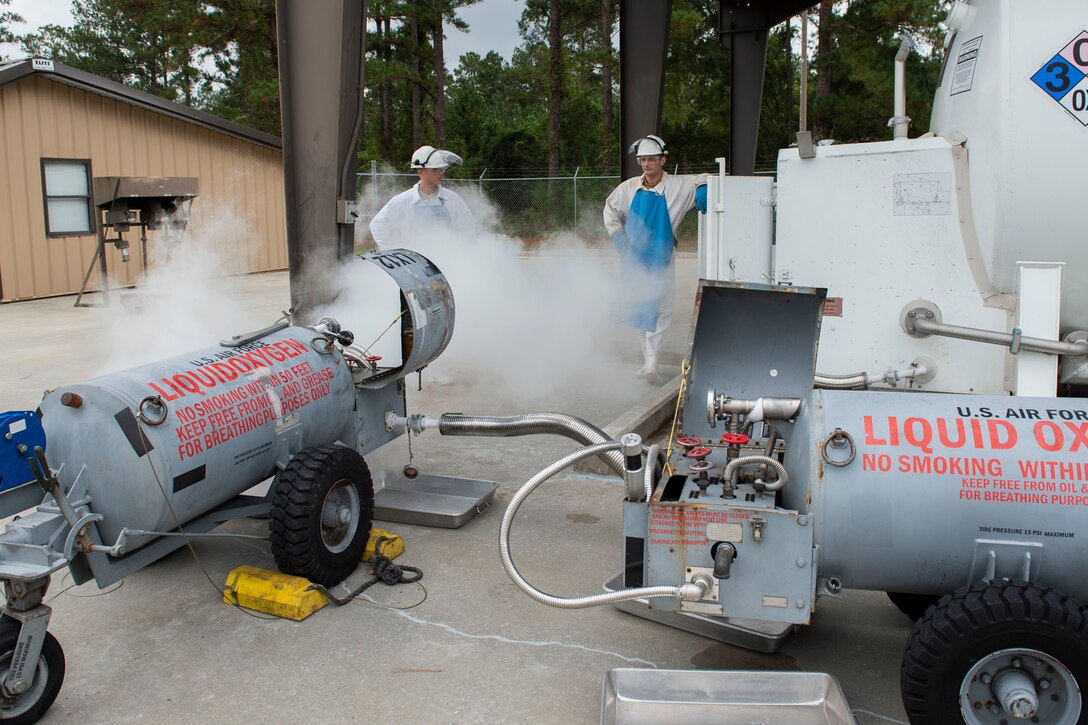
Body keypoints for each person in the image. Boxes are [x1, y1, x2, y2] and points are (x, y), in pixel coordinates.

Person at [603, 135, 706, 383]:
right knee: (638, 306)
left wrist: (702, 189)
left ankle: (652, 362)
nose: (647, 164)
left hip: (662, 257)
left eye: (651, 159)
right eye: (643, 160)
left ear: (663, 160)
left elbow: (704, 178)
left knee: (661, 308)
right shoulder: (629, 188)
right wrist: (618, 237)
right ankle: (647, 359)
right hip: (633, 257)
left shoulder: (677, 186)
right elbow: (610, 210)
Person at [368, 145, 476, 251]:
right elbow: (377, 225)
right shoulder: (404, 200)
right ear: (420, 171)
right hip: (415, 263)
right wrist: (391, 254)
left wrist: (462, 251)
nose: (440, 173)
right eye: (435, 169)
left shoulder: (452, 199)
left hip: (446, 260)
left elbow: (469, 226)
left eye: (441, 169)